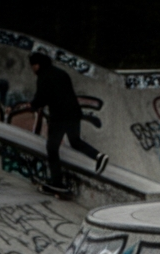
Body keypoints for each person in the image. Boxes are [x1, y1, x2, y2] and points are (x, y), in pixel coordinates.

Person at [28, 51, 108, 190]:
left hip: (59, 117)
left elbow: (41, 98)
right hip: (74, 114)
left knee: (52, 148)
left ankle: (57, 183)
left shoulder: (43, 77)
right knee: (75, 141)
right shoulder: (61, 73)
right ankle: (98, 156)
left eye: (32, 66)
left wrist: (32, 105)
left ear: (37, 65)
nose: (32, 70)